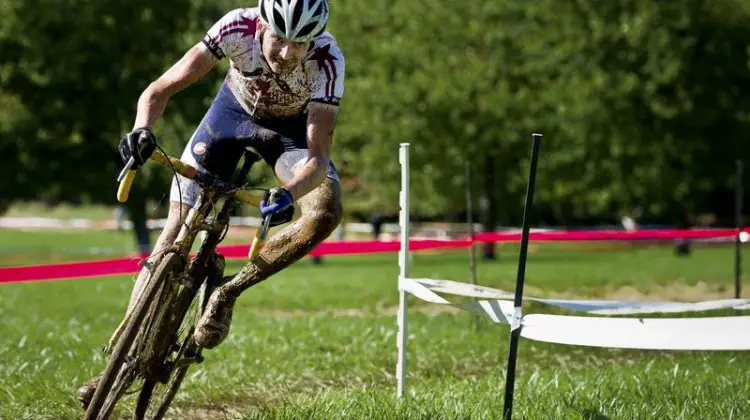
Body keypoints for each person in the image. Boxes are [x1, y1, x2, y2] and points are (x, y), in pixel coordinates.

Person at [78, 0, 344, 407]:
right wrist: (141, 129)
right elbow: (159, 90)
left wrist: (290, 192)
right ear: (261, 26)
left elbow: (318, 156)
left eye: (300, 44)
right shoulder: (236, 26)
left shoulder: (327, 60)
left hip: (288, 136)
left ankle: (228, 292)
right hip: (230, 119)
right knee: (174, 234)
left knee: (325, 210)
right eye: (279, 39)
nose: (287, 54)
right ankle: (116, 365)